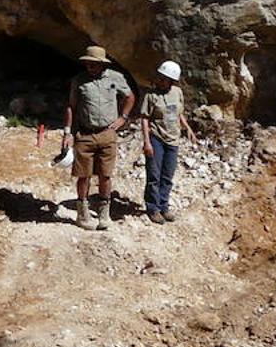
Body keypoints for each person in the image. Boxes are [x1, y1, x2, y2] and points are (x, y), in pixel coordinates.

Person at [62, 45, 135, 230]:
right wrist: (67, 132)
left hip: (107, 134)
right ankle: (82, 212)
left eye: (93, 64)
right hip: (85, 134)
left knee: (105, 175)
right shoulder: (79, 81)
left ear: (102, 64)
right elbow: (71, 106)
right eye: (87, 63)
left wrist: (123, 118)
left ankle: (104, 212)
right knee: (83, 176)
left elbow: (130, 97)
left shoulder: (115, 78)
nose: (90, 67)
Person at [140, 59, 197, 224]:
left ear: (172, 81)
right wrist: (147, 142)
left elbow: (179, 114)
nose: (161, 81)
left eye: (164, 79)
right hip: (156, 138)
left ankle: (163, 206)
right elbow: (144, 118)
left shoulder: (177, 92)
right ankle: (153, 208)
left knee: (167, 176)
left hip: (173, 139)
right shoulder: (151, 96)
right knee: (154, 175)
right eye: (160, 77)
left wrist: (188, 129)